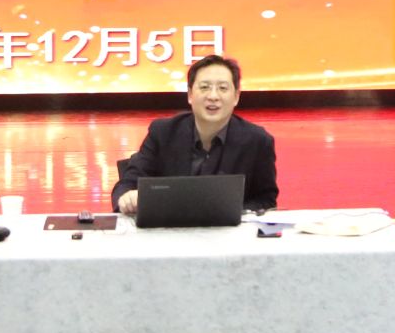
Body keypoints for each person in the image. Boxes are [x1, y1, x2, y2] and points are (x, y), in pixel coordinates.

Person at [112, 54, 278, 216]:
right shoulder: (163, 133)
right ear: (190, 94)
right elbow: (127, 184)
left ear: (236, 96)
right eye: (204, 87)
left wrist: (234, 213)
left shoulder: (257, 141)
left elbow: (266, 199)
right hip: (168, 228)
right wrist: (127, 198)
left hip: (228, 229)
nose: (213, 96)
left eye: (222, 88)